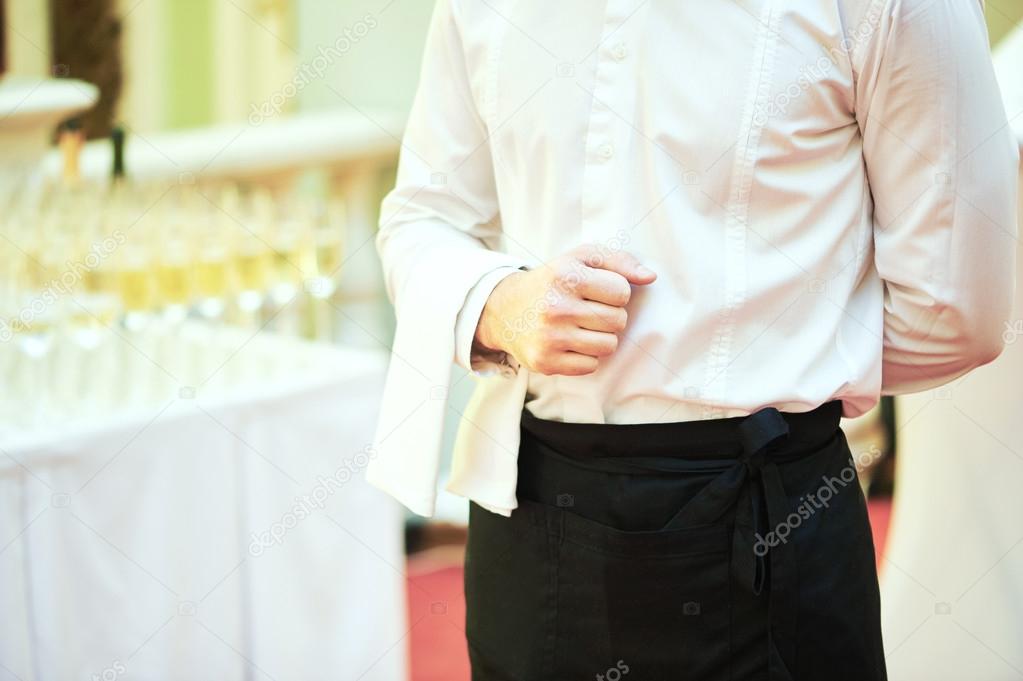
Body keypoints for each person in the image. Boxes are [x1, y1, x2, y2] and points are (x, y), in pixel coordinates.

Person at [366, 0, 1019, 679]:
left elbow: (955, 308)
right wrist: (497, 305)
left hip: (766, 519)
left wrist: (774, 358)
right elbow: (422, 215)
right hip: (525, 514)